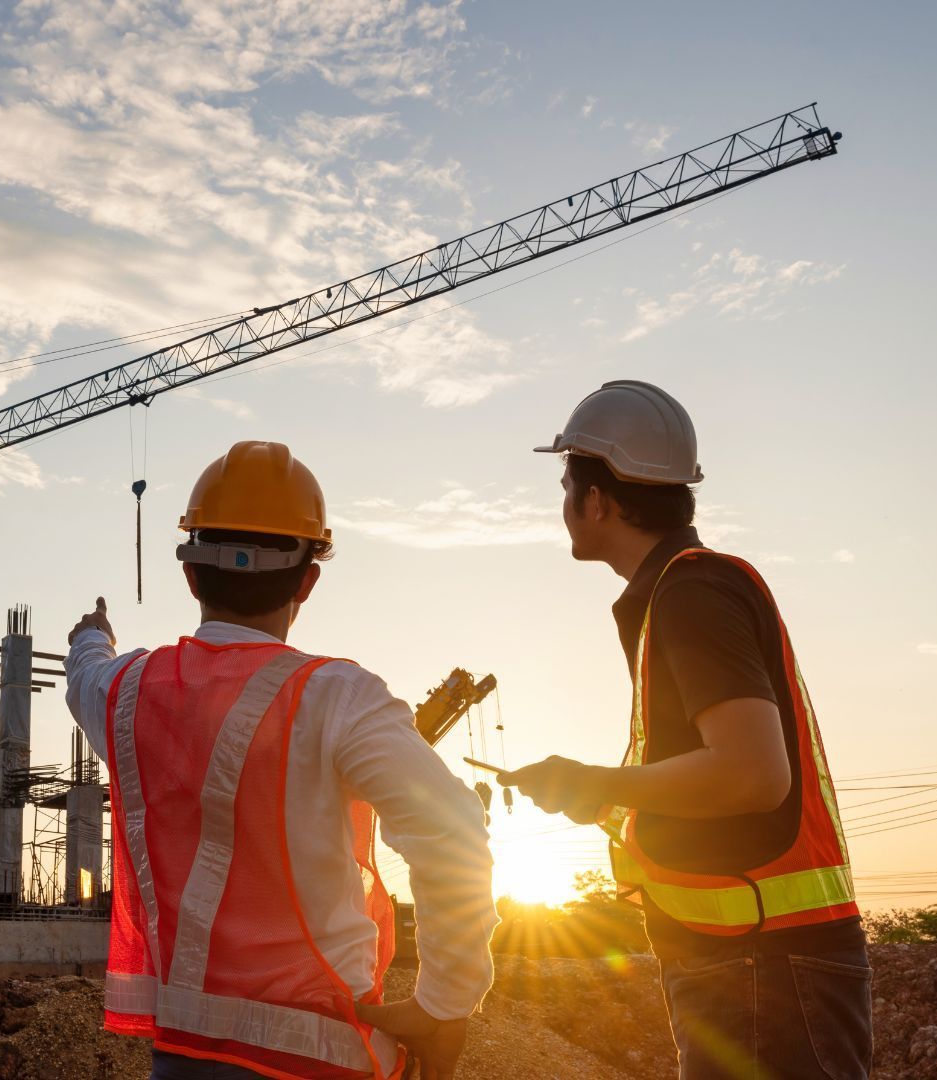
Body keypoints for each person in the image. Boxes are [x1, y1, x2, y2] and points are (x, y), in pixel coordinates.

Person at [64, 441, 497, 1080]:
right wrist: (444, 1004)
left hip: (183, 1059)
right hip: (325, 1061)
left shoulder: (128, 693)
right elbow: (455, 832)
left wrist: (92, 635)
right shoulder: (336, 699)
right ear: (308, 579)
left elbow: (85, 675)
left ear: (188, 573)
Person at [501, 381, 871, 1079]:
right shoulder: (679, 595)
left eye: (565, 487)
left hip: (764, 962)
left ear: (597, 501)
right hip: (754, 957)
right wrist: (596, 796)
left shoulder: (692, 593)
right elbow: (716, 783)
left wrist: (591, 779)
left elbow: (752, 775)